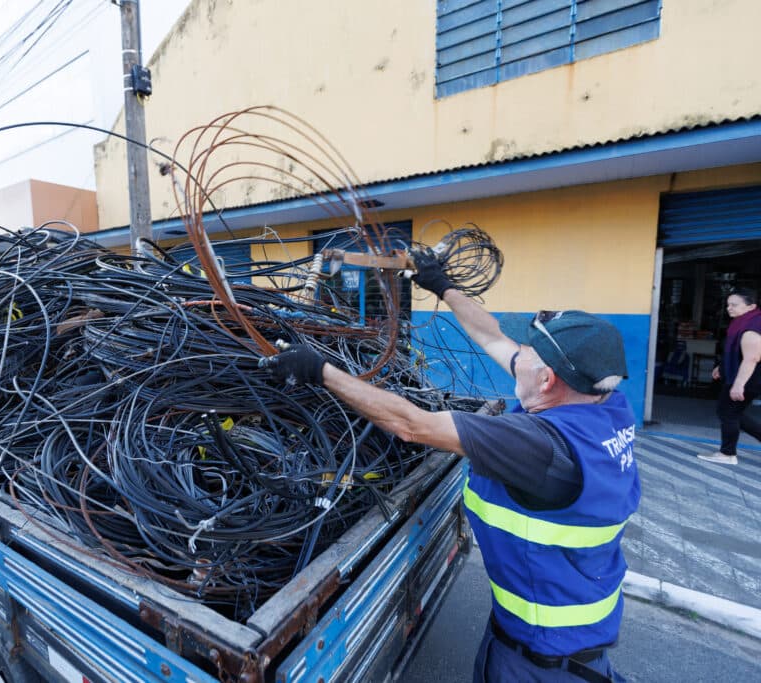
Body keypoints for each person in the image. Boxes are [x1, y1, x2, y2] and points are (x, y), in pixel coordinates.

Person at [263, 250, 639, 682]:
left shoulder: (538, 447)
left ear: (548, 380)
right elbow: (493, 337)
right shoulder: (604, 405)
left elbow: (410, 425)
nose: (518, 354)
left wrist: (320, 370)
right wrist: (441, 285)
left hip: (541, 662)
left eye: (529, 352)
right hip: (558, 632)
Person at [698, 288, 761, 465]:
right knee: (733, 413)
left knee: (728, 412)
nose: (729, 308)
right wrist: (723, 367)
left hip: (747, 379)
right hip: (741, 376)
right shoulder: (742, 322)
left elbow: (752, 358)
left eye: (734, 305)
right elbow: (736, 351)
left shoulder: (751, 329)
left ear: (751, 306)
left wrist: (738, 384)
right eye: (728, 305)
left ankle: (727, 454)